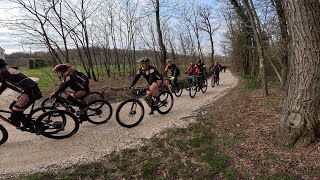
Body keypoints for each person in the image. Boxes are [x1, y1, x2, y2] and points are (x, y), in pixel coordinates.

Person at [0, 58, 42, 128]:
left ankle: (32, 125)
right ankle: (25, 121)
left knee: (15, 112)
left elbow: (4, 83)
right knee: (12, 107)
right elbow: (5, 84)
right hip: (30, 90)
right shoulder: (5, 70)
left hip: (30, 91)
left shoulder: (2, 72)